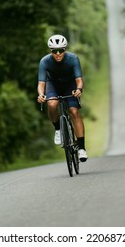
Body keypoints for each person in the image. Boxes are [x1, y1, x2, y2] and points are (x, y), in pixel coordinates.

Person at [37, 34, 88, 162]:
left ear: (65, 49)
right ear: (50, 51)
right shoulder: (45, 61)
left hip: (70, 85)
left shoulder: (73, 59)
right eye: (55, 51)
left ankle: (81, 148)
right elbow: (41, 83)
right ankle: (58, 129)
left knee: (74, 111)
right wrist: (41, 95)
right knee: (52, 104)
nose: (58, 54)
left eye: (61, 50)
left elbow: (79, 80)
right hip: (53, 84)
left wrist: (79, 90)